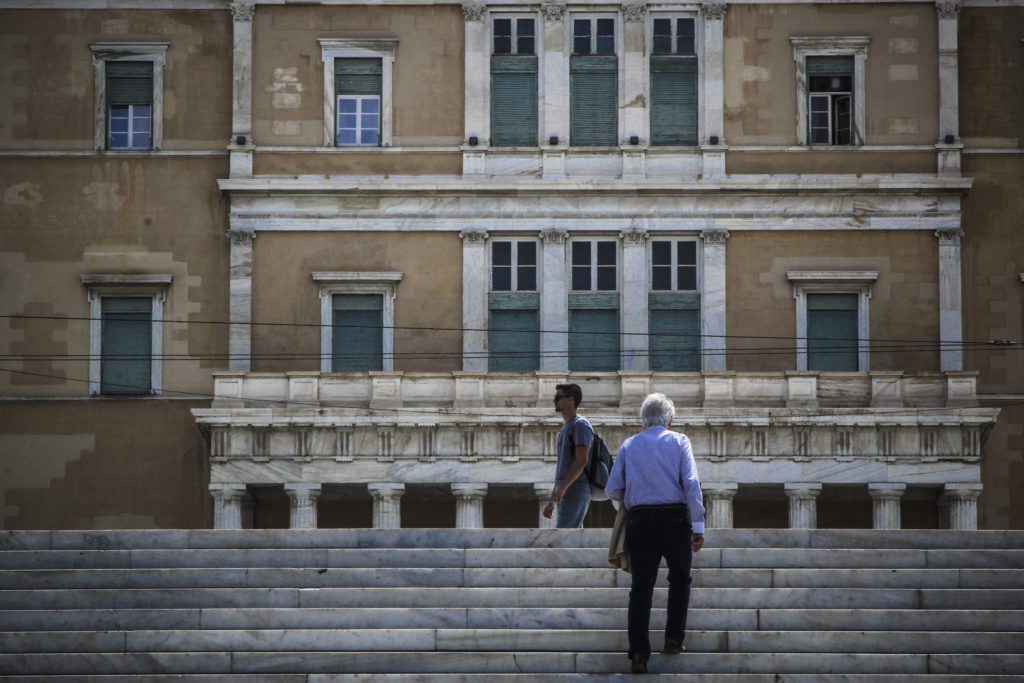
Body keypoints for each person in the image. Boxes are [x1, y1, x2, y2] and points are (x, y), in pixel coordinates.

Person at [604, 392, 705, 674]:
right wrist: (698, 525)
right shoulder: (680, 441)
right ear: (669, 419)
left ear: (643, 419)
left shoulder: (629, 445)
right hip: (675, 518)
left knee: (641, 589)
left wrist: (630, 501)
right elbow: (691, 484)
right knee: (680, 580)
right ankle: (673, 639)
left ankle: (638, 652)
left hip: (640, 521)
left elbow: (612, 488)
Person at [542, 383, 593, 528]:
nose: (555, 401)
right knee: (572, 538)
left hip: (575, 490)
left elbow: (582, 460)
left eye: (558, 397)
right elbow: (563, 467)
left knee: (566, 539)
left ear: (571, 400)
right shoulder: (566, 428)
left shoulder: (580, 425)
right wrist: (553, 498)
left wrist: (562, 488)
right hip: (568, 492)